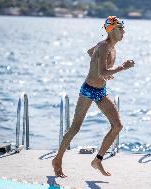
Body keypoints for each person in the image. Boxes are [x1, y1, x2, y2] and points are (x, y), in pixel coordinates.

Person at [52, 16, 135, 177]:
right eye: (120, 28)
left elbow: (91, 52)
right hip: (89, 90)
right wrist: (121, 68)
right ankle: (57, 159)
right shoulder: (104, 46)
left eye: (123, 28)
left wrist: (100, 68)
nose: (124, 31)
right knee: (75, 128)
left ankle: (97, 160)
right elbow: (102, 70)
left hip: (101, 91)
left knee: (117, 126)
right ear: (111, 31)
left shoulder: (108, 46)